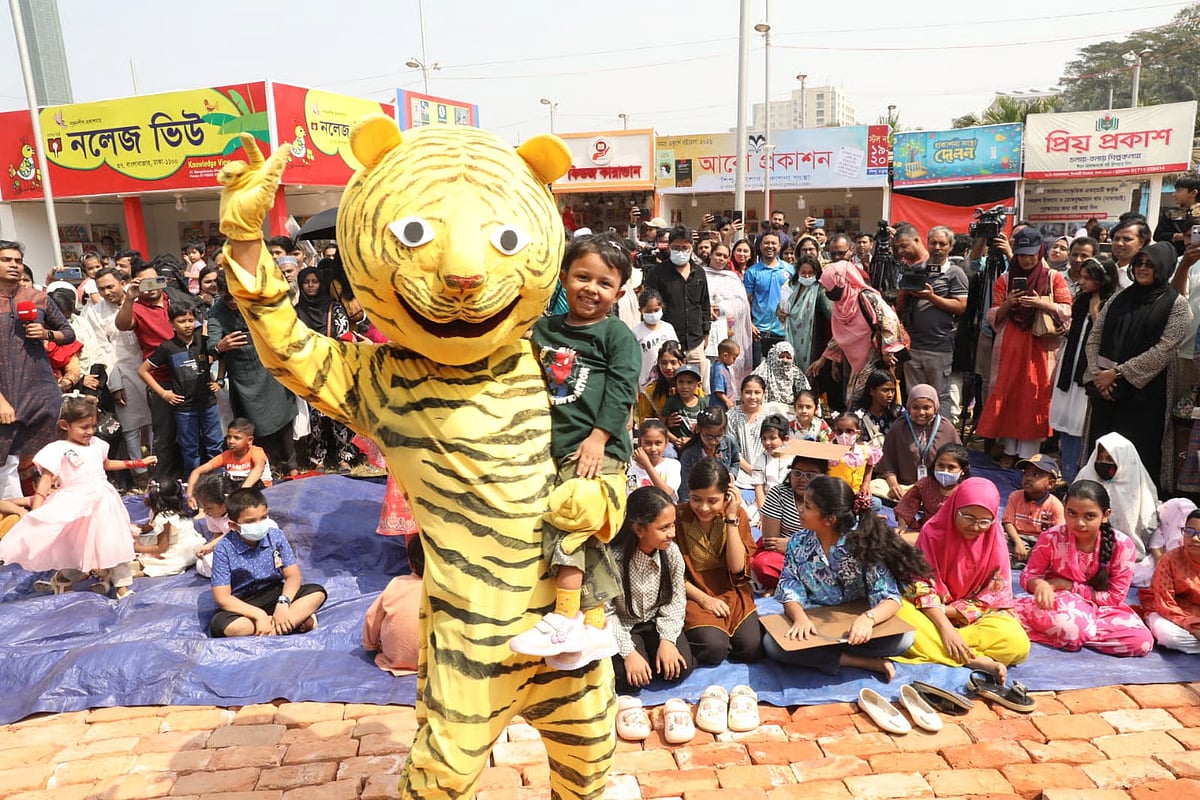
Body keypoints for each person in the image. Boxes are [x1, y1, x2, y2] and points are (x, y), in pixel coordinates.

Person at [511, 233, 640, 669]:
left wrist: (599, 437)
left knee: (572, 519)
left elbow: (623, 390)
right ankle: (595, 623)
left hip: (597, 450)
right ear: (564, 277)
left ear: (619, 292)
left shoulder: (616, 335)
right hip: (560, 449)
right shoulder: (546, 330)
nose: (592, 288)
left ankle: (564, 616)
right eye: (583, 277)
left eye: (604, 283)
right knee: (585, 538)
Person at [764, 475, 921, 679]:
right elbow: (789, 587)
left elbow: (888, 596)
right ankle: (864, 662)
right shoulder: (797, 542)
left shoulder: (863, 543)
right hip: (816, 624)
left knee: (904, 639)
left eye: (808, 506)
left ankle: (828, 656)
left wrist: (868, 620)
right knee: (773, 645)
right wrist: (800, 619)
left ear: (829, 519)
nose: (800, 509)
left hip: (858, 626)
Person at [0, 394, 153, 599]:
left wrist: (136, 463)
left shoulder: (97, 444)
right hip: (76, 504)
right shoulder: (58, 449)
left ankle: (122, 585)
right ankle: (64, 577)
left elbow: (106, 464)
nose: (90, 432)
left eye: (93, 426)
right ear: (65, 425)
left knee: (115, 541)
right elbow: (45, 480)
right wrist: (37, 510)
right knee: (77, 548)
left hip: (104, 501)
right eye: (84, 427)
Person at [896, 478, 1031, 681]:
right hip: (931, 613)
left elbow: (993, 597)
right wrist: (946, 627)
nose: (975, 527)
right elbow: (921, 584)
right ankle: (972, 659)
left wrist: (951, 617)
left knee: (1018, 643)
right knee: (899, 614)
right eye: (967, 517)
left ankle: (948, 650)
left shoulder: (995, 542)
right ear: (954, 508)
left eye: (985, 521)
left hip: (972, 617)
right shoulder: (932, 533)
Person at [1086, 241, 1192, 494]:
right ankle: (1095, 506)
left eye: (1150, 264)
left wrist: (1118, 373)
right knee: (1101, 451)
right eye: (1139, 263)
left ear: (1163, 267)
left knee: (1138, 451)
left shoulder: (1177, 305)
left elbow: (1164, 350)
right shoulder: (1119, 298)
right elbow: (1095, 336)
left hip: (1145, 396)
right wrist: (1098, 375)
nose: (1143, 269)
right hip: (1105, 390)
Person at [1014, 480, 1153, 657]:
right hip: (1061, 601)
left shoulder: (1123, 546)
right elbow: (1029, 575)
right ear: (1064, 509)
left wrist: (1069, 586)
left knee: (1141, 641)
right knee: (1072, 626)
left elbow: (1115, 597)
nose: (1079, 523)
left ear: (1106, 515)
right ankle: (1074, 632)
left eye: (1089, 516)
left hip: (1102, 608)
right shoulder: (1052, 537)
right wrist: (1040, 585)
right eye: (1071, 513)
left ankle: (1073, 633)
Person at [975, 228, 1072, 466]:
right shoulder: (1004, 280)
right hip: (1009, 343)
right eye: (1021, 254)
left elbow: (1068, 310)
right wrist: (1009, 304)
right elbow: (992, 315)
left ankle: (1029, 452)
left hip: (1040, 346)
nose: (1026, 259)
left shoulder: (1053, 278)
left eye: (1031, 254)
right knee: (1008, 391)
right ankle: (1009, 449)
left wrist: (1043, 304)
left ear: (1040, 251)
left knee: (1035, 393)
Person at [1, 240, 77, 498]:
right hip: (5, 394)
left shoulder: (37, 298)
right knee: (7, 462)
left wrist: (47, 333)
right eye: (6, 260)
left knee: (51, 456)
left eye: (18, 261)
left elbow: (68, 333)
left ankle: (58, 514)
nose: (14, 265)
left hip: (42, 391)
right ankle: (13, 524)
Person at [208, 272, 298, 478]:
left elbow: (281, 325)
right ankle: (266, 467)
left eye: (235, 297)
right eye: (227, 297)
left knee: (283, 414)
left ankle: (291, 465)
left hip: (269, 365)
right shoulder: (216, 312)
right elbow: (211, 345)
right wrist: (221, 346)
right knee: (254, 422)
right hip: (242, 374)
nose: (232, 302)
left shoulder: (257, 302)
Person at [676, 458, 763, 664]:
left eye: (713, 500)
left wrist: (731, 518)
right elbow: (670, 574)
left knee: (751, 648)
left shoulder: (736, 514)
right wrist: (705, 600)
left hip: (732, 593)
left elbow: (737, 568)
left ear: (727, 495)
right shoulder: (677, 516)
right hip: (693, 594)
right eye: (696, 499)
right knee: (713, 649)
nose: (703, 507)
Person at [208, 487, 326, 637]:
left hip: (276, 594)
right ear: (233, 525)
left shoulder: (276, 537)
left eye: (263, 518)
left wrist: (283, 603)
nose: (259, 524)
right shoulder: (223, 548)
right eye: (250, 521)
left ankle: (273, 627)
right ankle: (292, 623)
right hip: (244, 604)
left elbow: (293, 576)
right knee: (224, 626)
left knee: (317, 592)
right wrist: (259, 615)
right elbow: (223, 598)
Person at [610, 487, 693, 694]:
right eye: (664, 528)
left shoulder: (671, 553)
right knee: (628, 681)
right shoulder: (613, 560)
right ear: (639, 530)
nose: (672, 533)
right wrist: (629, 653)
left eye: (673, 525)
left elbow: (676, 601)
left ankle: (654, 651)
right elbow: (605, 612)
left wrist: (667, 640)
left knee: (679, 669)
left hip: (655, 621)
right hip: (624, 625)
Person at [1050, 257, 1118, 484]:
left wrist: (1096, 310)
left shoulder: (1112, 303)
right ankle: (1069, 477)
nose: (1084, 281)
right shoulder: (1080, 300)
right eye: (1083, 277)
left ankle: (1082, 480)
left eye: (1090, 278)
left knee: (1082, 426)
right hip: (1070, 368)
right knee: (1066, 424)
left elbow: (1104, 336)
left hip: (1088, 373)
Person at [83, 267, 153, 489]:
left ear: (123, 283)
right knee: (131, 426)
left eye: (110, 286)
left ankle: (156, 466)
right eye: (101, 289)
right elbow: (102, 350)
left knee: (155, 423)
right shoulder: (95, 312)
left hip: (151, 368)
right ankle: (139, 473)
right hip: (120, 372)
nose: (106, 292)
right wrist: (115, 385)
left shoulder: (142, 301)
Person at [138, 300, 223, 476]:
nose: (187, 325)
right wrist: (163, 393)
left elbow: (223, 354)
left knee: (214, 444)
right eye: (182, 321)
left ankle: (219, 480)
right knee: (190, 448)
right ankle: (192, 482)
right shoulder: (167, 348)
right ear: (172, 324)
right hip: (184, 408)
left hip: (208, 403)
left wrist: (219, 381)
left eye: (190, 320)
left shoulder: (204, 341)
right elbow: (143, 370)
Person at [894, 225, 969, 420]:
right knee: (915, 394)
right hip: (913, 345)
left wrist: (932, 297)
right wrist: (904, 292)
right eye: (933, 243)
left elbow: (961, 306)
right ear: (926, 243)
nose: (937, 247)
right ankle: (916, 435)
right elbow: (900, 308)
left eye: (942, 244)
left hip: (939, 347)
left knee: (939, 396)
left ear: (950, 247)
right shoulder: (916, 270)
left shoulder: (955, 273)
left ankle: (941, 435)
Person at [808, 261, 908, 403]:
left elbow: (889, 320)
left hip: (873, 357)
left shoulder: (867, 298)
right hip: (855, 363)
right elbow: (839, 336)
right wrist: (823, 360)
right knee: (856, 399)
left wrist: (888, 351)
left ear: (840, 282)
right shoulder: (840, 305)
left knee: (864, 399)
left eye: (828, 285)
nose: (826, 290)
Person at [116, 260, 180, 480]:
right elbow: (122, 325)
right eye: (144, 282)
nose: (150, 286)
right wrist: (130, 297)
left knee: (193, 429)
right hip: (160, 378)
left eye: (154, 280)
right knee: (164, 433)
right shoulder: (136, 307)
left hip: (189, 373)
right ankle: (162, 482)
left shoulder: (175, 299)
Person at [753, 450, 828, 592]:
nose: (803, 479)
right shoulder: (779, 494)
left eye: (810, 475)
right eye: (797, 473)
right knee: (763, 564)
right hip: (783, 555)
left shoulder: (828, 498)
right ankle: (805, 585)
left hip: (818, 556)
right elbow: (771, 542)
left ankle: (787, 584)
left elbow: (832, 542)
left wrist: (793, 544)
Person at [1076, 433, 1158, 561]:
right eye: (1100, 458)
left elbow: (1148, 525)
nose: (1103, 463)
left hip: (1127, 556)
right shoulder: (1087, 475)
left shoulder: (1137, 483)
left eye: (1109, 459)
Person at [874, 385, 961, 503]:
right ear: (909, 407)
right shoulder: (899, 427)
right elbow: (887, 463)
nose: (921, 413)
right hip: (904, 487)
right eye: (915, 407)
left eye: (927, 408)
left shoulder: (946, 427)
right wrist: (894, 486)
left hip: (939, 487)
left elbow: (958, 462)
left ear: (935, 407)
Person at [643, 226, 711, 380]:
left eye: (685, 247)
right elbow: (649, 305)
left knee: (696, 386)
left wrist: (706, 333)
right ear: (669, 246)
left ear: (691, 247)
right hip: (667, 343)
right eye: (676, 247)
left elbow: (704, 303)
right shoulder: (657, 273)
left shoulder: (699, 272)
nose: (680, 251)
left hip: (695, 341)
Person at [363, 535, 425, 675]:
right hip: (439, 662)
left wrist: (370, 645)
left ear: (410, 562)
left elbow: (371, 617)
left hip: (396, 658)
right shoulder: (449, 589)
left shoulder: (397, 584)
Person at [1142, 508, 1200, 653]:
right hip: (1172, 613)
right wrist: (1192, 625)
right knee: (1168, 637)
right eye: (1189, 531)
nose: (1194, 538)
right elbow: (1164, 603)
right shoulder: (1170, 560)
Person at [131, 478, 206, 577]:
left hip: (182, 549)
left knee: (172, 565)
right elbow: (146, 528)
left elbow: (161, 547)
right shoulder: (158, 511)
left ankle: (140, 573)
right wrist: (130, 528)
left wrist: (138, 548)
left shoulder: (163, 518)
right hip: (169, 542)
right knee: (142, 541)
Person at [703, 243, 753, 388]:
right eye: (718, 254)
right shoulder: (699, 274)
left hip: (726, 330)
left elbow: (742, 305)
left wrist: (722, 308)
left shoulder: (732, 278)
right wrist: (707, 307)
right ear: (711, 255)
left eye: (725, 256)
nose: (721, 259)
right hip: (705, 330)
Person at [187, 417, 272, 503]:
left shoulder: (257, 452)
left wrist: (240, 493)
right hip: (238, 495)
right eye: (229, 437)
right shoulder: (225, 456)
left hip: (263, 494)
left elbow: (258, 469)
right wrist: (190, 495)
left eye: (237, 438)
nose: (231, 441)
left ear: (249, 440)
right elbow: (197, 472)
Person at [1003, 455, 1066, 564]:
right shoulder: (1015, 496)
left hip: (1042, 541)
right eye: (1026, 473)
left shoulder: (1055, 505)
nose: (1028, 478)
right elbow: (1008, 522)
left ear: (1050, 484)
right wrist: (1018, 542)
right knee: (999, 539)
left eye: (1036, 475)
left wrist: (1037, 549)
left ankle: (1025, 561)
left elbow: (1057, 533)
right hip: (1018, 537)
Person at [896, 442, 970, 533]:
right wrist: (902, 525)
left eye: (951, 467)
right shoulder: (926, 484)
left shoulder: (967, 490)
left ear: (963, 470)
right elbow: (907, 503)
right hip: (926, 531)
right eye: (940, 466)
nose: (945, 471)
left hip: (955, 535)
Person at [778, 253, 832, 377]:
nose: (807, 276)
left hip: (812, 344)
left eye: (810, 273)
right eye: (803, 272)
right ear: (798, 272)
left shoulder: (820, 292)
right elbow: (781, 307)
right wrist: (780, 313)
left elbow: (831, 317)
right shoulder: (791, 288)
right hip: (791, 340)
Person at [743, 231, 793, 365]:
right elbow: (746, 300)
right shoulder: (752, 272)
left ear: (780, 246)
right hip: (759, 331)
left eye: (773, 243)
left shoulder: (790, 270)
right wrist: (750, 324)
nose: (769, 246)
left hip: (784, 330)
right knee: (759, 371)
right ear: (760, 246)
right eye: (766, 243)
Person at [677, 406, 740, 503]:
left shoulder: (730, 442)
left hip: (722, 495)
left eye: (718, 437)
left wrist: (732, 474)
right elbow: (685, 487)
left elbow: (735, 462)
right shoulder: (689, 454)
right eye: (708, 437)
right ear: (698, 430)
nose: (713, 442)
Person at [825, 413, 881, 505]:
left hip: (856, 493)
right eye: (839, 431)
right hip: (835, 495)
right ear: (834, 432)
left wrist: (866, 484)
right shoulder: (829, 450)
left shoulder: (864, 450)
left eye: (849, 431)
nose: (844, 435)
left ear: (858, 433)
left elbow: (870, 464)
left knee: (876, 503)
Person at [631, 289, 678, 387]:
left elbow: (676, 355)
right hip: (645, 385)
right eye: (648, 311)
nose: (653, 314)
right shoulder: (635, 333)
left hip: (669, 383)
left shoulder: (668, 328)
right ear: (640, 310)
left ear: (662, 307)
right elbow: (632, 363)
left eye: (656, 310)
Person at [635, 340, 686, 425]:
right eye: (664, 363)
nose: (668, 367)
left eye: (673, 362)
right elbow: (643, 423)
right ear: (658, 364)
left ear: (683, 362)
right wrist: (665, 422)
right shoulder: (650, 392)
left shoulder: (694, 387)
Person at [628, 418, 681, 499]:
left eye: (658, 443)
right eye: (648, 443)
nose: (653, 448)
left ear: (666, 443)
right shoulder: (632, 469)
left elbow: (668, 494)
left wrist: (647, 465)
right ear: (639, 443)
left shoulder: (673, 465)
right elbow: (632, 497)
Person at [751, 413, 792, 513]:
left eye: (772, 438)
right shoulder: (761, 460)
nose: (767, 442)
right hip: (767, 505)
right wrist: (764, 514)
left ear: (785, 439)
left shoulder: (794, 459)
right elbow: (759, 489)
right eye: (764, 439)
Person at [191, 474, 229, 578]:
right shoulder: (211, 515)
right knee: (203, 564)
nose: (206, 512)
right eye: (203, 508)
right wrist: (212, 550)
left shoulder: (238, 511)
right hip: (228, 549)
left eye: (209, 508)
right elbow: (218, 533)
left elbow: (233, 534)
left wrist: (210, 546)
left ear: (225, 502)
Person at [751, 340, 810, 407]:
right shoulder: (763, 371)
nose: (784, 360)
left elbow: (805, 391)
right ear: (775, 356)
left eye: (788, 357)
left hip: (789, 409)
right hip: (766, 408)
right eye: (781, 357)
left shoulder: (795, 371)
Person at [853, 370, 902, 450]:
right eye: (885, 390)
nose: (890, 395)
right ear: (872, 391)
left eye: (892, 391)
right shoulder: (858, 415)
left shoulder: (898, 413)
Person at [1153, 175, 1200, 257]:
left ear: (1193, 193)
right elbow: (1158, 236)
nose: (1174, 194)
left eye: (1179, 190)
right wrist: (1178, 236)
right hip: (1175, 258)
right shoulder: (1171, 213)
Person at [662, 364, 705, 450]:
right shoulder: (672, 402)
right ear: (676, 383)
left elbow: (706, 428)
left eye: (690, 382)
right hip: (675, 443)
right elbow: (661, 425)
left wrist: (691, 440)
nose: (685, 386)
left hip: (696, 443)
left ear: (698, 385)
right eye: (681, 382)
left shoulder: (702, 402)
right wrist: (675, 440)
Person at [709, 339, 740, 410]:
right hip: (720, 407)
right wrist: (727, 401)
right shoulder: (719, 370)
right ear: (725, 356)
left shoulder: (723, 367)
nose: (734, 361)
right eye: (734, 358)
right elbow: (719, 391)